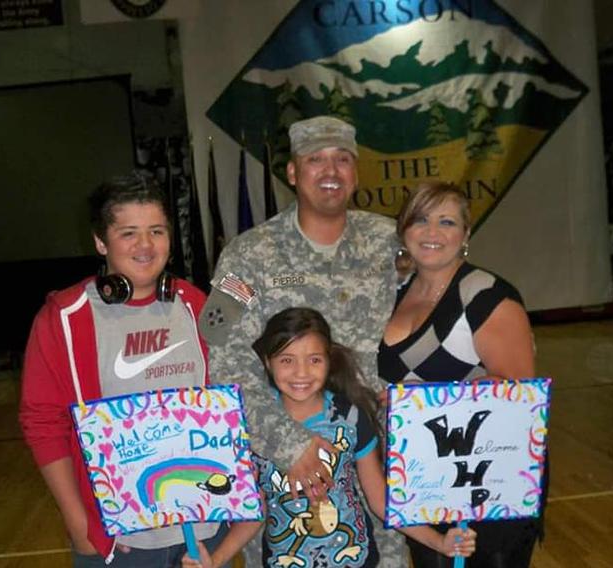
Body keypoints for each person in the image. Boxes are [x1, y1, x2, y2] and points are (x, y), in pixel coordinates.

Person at [200, 116, 405, 566]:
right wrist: (286, 444)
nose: (330, 171)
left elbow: (432, 317)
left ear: (355, 172)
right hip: (284, 478)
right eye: (315, 159)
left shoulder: (391, 244)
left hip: (376, 466)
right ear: (292, 172)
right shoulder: (249, 256)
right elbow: (225, 358)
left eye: (343, 159)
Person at [19, 172, 224, 567]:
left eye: (157, 231)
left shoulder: (195, 304)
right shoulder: (63, 317)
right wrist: (79, 522)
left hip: (201, 532)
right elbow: (42, 423)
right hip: (118, 541)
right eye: (129, 233)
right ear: (101, 241)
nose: (145, 245)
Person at [184, 308, 476, 568]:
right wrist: (216, 559)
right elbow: (254, 511)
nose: (301, 372)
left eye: (314, 359)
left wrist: (439, 542)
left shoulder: (351, 416)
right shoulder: (255, 425)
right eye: (287, 359)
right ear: (267, 362)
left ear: (329, 360)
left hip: (354, 557)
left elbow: (379, 501)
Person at [377, 181, 542, 568]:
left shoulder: (489, 298)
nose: (432, 232)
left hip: (487, 486)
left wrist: (423, 404)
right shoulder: (392, 292)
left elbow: (520, 402)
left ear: (465, 235)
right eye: (421, 219)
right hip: (422, 476)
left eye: (447, 222)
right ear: (404, 230)